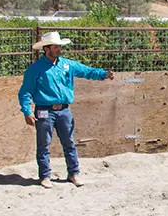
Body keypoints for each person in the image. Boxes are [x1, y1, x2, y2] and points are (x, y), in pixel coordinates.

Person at [18, 31, 115, 189]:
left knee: (69, 142)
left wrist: (103, 74)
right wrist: (27, 111)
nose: (58, 49)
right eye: (55, 46)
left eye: (59, 46)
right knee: (44, 144)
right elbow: (25, 92)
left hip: (63, 110)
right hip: (44, 110)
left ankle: (73, 173)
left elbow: (86, 71)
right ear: (46, 49)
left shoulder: (67, 64)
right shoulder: (35, 69)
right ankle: (45, 176)